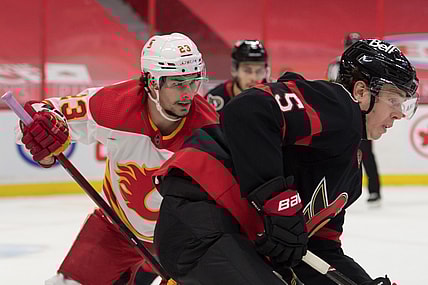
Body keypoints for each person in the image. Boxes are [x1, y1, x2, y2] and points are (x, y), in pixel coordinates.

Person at [152, 39, 419, 285]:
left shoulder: (349, 170)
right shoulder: (338, 105)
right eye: (393, 99)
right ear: (361, 91)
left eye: (404, 103)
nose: (399, 113)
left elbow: (318, 249)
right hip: (202, 216)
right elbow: (248, 110)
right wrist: (278, 201)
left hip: (224, 238)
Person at [17, 32, 218, 285]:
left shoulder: (210, 129)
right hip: (115, 229)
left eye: (193, 81)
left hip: (184, 239)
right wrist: (41, 135)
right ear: (151, 82)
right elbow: (38, 113)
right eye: (178, 83)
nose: (188, 94)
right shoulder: (113, 106)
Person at [328, 32, 381, 204]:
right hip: (342, 113)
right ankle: (334, 191)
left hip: (361, 114)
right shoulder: (336, 64)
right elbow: (332, 87)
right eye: (350, 46)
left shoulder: (368, 67)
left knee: (366, 153)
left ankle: (374, 190)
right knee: (337, 152)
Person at [205, 39, 269, 116]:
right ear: (234, 70)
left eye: (259, 71)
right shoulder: (216, 98)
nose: (254, 78)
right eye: (247, 71)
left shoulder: (272, 97)